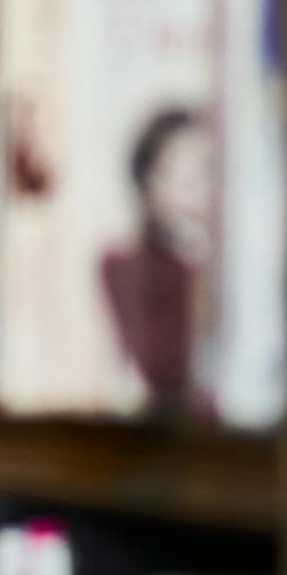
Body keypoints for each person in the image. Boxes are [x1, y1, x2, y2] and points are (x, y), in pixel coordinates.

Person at [99, 106, 213, 412]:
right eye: (172, 166)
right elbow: (159, 364)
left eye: (204, 165)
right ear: (149, 181)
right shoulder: (125, 265)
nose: (193, 178)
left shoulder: (222, 259)